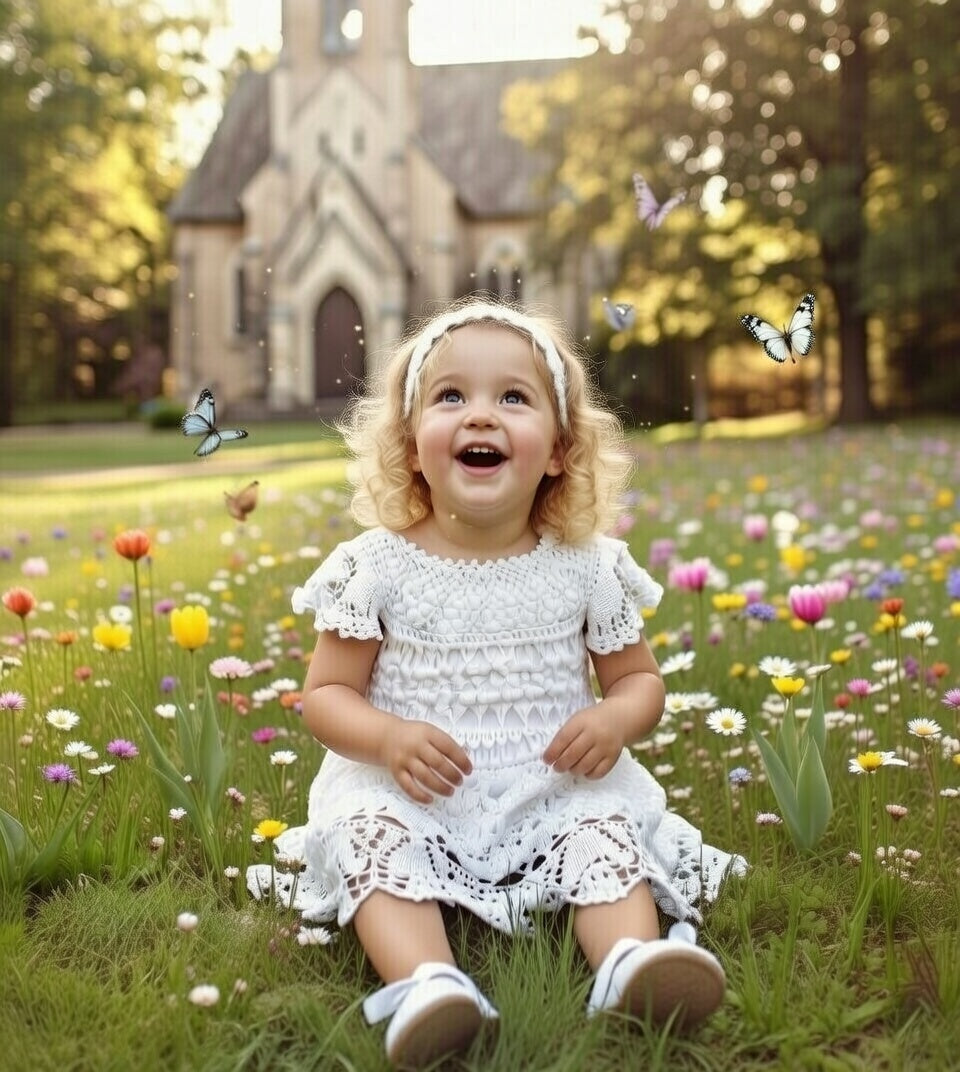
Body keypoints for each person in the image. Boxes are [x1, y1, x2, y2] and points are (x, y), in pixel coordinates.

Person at [282, 299, 744, 1068]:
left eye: (513, 398)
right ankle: (428, 983)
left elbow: (640, 683)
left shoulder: (586, 565)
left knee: (601, 829)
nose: (480, 418)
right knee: (370, 838)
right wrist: (388, 738)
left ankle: (630, 961)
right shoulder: (379, 565)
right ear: (410, 442)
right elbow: (324, 695)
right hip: (413, 788)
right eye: (451, 397)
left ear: (560, 450)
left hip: (550, 782)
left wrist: (615, 722)